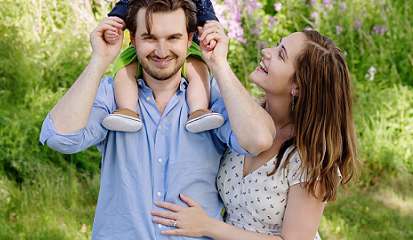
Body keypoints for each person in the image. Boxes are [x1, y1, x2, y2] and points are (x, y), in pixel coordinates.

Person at [39, 0, 275, 240]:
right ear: (132, 40)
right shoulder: (112, 95)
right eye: (150, 37)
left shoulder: (211, 98)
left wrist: (219, 63)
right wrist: (100, 60)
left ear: (189, 39)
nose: (162, 52)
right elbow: (59, 137)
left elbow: (258, 140)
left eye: (173, 38)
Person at [150, 29, 358, 239]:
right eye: (277, 45)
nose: (267, 51)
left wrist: (208, 227)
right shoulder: (243, 116)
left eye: (281, 54)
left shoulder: (309, 157)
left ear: (298, 86)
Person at [103, 0, 223, 133]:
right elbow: (122, 8)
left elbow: (205, 10)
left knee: (197, 70)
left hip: (184, 46)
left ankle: (197, 111)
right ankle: (127, 111)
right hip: (142, 46)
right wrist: (114, 25)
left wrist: (211, 27)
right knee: (123, 69)